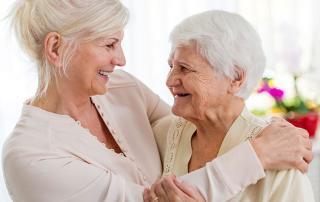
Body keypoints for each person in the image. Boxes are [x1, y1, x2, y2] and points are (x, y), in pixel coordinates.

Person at [2, 1, 312, 202]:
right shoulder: (30, 156)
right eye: (109, 44)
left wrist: (284, 136)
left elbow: (192, 126)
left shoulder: (121, 88)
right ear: (56, 48)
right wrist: (257, 155)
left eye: (120, 43)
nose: (121, 59)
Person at [145, 10, 315, 202]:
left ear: (235, 78)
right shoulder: (163, 134)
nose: (170, 81)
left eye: (185, 68)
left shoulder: (283, 159)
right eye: (171, 67)